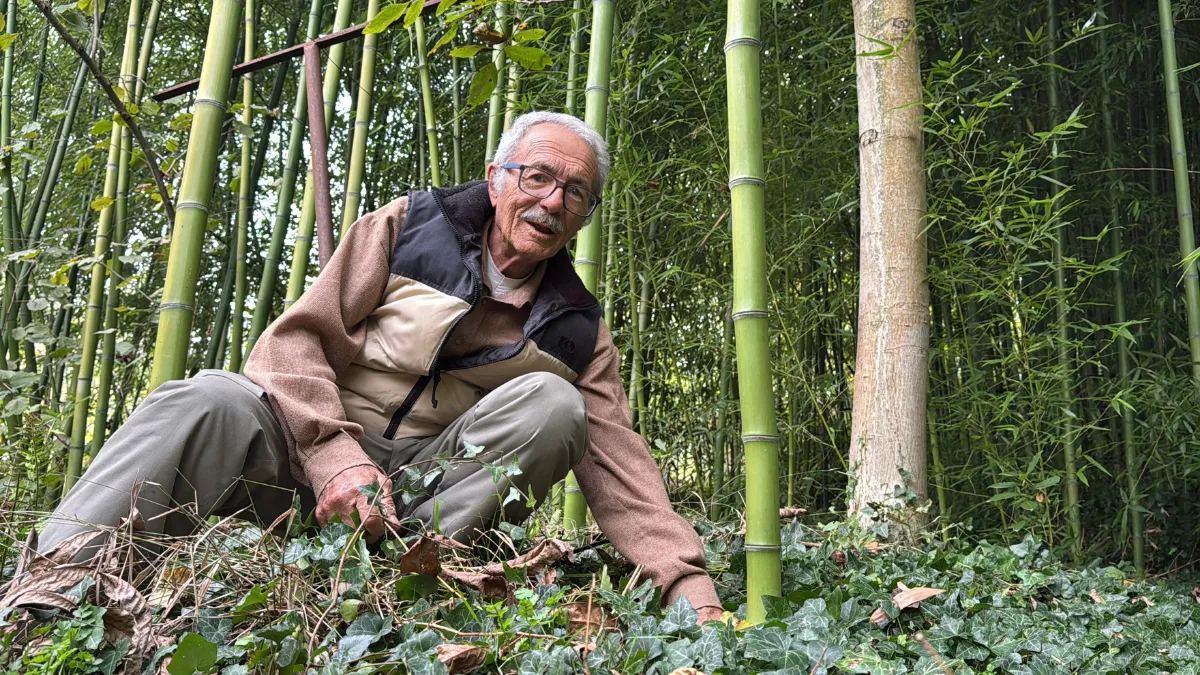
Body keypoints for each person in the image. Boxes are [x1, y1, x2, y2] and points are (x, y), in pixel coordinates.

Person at [39, 111, 722, 621]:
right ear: (495, 177)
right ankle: (46, 587)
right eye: (537, 176)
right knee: (208, 396)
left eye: (575, 192)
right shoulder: (409, 227)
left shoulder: (578, 326)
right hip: (304, 456)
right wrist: (334, 453)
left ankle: (395, 591)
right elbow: (292, 343)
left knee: (554, 404)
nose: (551, 201)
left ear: (583, 217)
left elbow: (623, 471)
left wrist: (695, 595)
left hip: (418, 503)